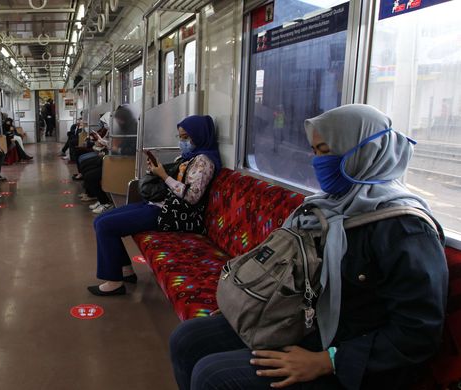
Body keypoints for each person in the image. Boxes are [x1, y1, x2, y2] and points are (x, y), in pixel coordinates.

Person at [169, 104, 448, 390]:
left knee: (213, 376)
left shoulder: (405, 229)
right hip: (301, 321)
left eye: (326, 151)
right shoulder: (326, 206)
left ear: (365, 150)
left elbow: (418, 331)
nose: (318, 161)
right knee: (187, 340)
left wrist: (327, 361)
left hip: (349, 356)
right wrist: (251, 303)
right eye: (314, 151)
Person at [87, 114, 221, 296]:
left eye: (186, 137)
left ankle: (114, 281)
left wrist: (164, 176)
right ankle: (125, 270)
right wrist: (158, 172)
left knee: (105, 225)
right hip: (161, 205)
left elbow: (191, 196)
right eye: (180, 137)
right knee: (100, 220)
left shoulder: (205, 161)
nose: (182, 142)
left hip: (173, 214)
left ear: (199, 135)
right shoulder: (189, 157)